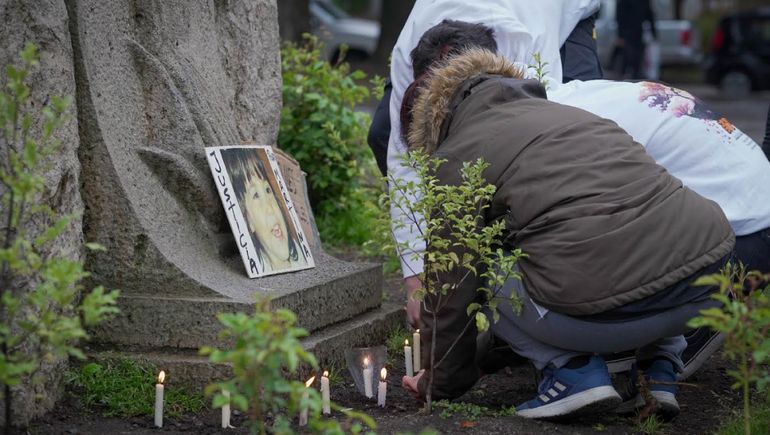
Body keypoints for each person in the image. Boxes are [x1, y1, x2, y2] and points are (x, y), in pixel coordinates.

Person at [384, 8, 770, 380]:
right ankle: (659, 370)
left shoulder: (493, 140)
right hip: (720, 249)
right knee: (644, 231)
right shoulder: (566, 101)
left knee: (497, 253)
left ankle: (576, 373)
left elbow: (459, 280)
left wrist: (447, 372)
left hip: (741, 239)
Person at [367, 1, 603, 177]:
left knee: (577, 139)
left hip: (567, 11)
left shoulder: (532, 49)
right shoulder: (411, 45)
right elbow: (402, 155)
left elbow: (541, 144)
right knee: (383, 133)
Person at [221, 148, 308, 273]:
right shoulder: (259, 266)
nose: (270, 208)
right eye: (256, 195)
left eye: (268, 190)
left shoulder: (300, 254)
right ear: (247, 221)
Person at [615, 0, 657, 79]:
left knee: (637, 55)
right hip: (627, 32)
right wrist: (620, 35)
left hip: (638, 32)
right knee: (627, 55)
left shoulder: (644, 2)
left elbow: (649, 15)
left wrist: (653, 33)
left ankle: (635, 74)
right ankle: (625, 74)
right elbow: (620, 16)